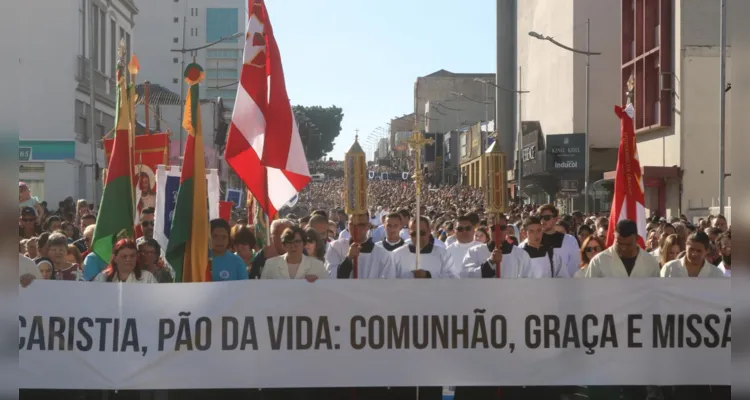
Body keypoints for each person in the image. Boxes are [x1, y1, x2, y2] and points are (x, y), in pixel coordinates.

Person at [325, 211, 395, 279]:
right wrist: (348, 259)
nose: (356, 229)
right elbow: (331, 278)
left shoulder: (382, 255)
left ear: (368, 226)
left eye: (361, 225)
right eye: (352, 224)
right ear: (347, 225)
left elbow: (387, 284)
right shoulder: (336, 247)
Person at [461, 213, 532, 278]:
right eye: (494, 228)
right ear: (487, 229)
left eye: (502, 228)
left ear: (506, 229)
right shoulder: (474, 252)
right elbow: (466, 276)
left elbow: (528, 281)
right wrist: (490, 263)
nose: (499, 232)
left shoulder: (521, 254)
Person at [583, 219, 660, 278]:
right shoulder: (598, 262)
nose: (623, 248)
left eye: (628, 245)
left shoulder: (651, 262)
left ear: (637, 238)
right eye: (619, 243)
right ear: (614, 236)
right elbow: (589, 291)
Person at [392, 216, 458, 279]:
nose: (418, 237)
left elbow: (452, 278)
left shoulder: (443, 254)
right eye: (414, 234)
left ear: (429, 231)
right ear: (409, 233)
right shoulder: (397, 254)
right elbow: (389, 278)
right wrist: (408, 276)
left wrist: (428, 275)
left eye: (422, 233)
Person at [262, 226, 328, 280]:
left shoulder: (317, 266)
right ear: (284, 245)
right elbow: (263, 291)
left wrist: (317, 282)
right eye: (289, 242)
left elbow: (326, 291)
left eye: (297, 242)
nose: (293, 246)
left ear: (304, 244)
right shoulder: (270, 265)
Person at [536, 204, 580, 277]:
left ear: (556, 218)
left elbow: (574, 268)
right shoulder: (530, 241)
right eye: (540, 217)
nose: (542, 221)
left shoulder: (569, 241)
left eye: (547, 217)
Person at [661, 231, 725, 278]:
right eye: (691, 249)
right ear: (685, 246)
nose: (694, 254)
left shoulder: (716, 274)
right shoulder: (670, 268)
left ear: (706, 251)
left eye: (699, 251)